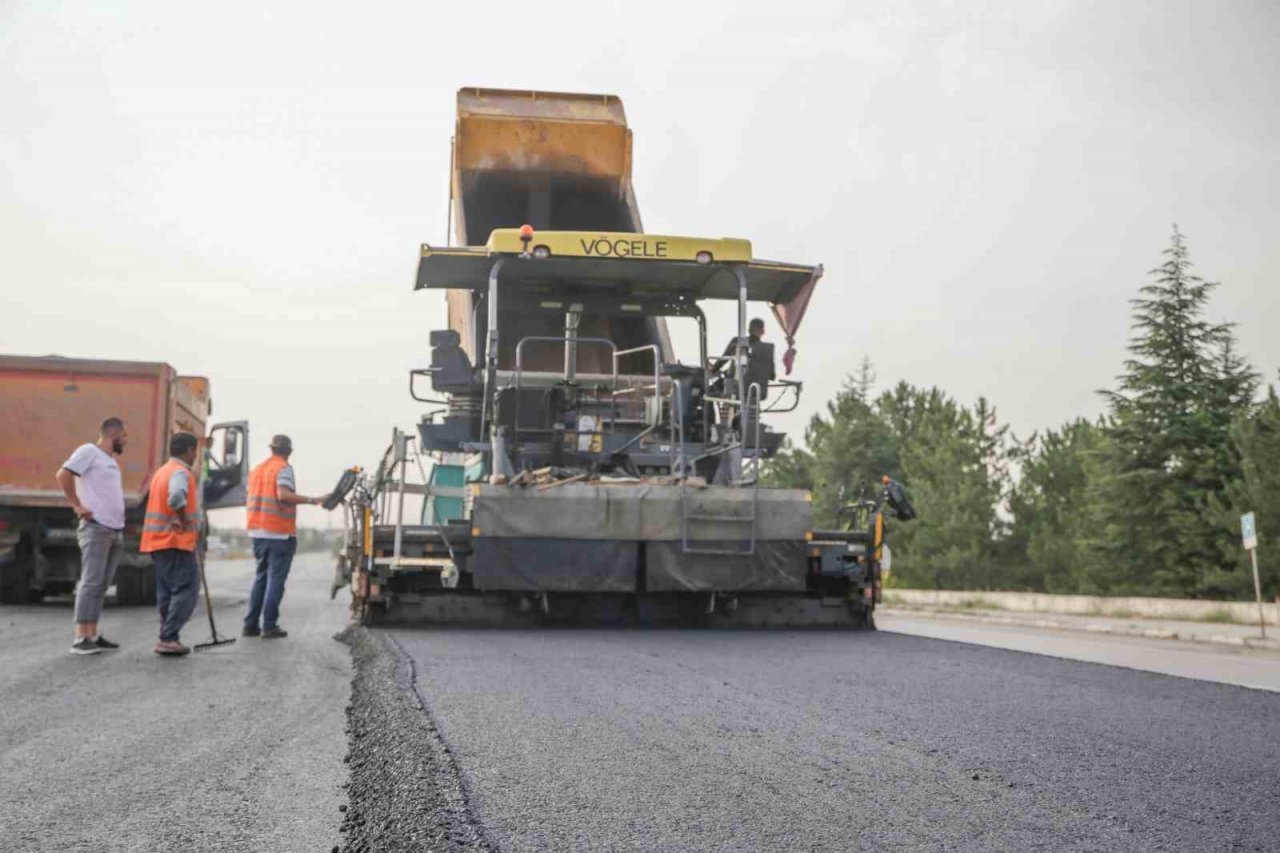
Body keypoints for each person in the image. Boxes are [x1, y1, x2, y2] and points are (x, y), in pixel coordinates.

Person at [242, 435, 330, 639]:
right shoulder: (283, 468)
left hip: (257, 532)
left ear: (271, 449)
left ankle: (250, 625)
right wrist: (313, 500)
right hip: (279, 534)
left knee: (261, 578)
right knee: (275, 580)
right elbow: (283, 495)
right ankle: (269, 626)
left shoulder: (257, 470)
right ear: (289, 451)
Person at [55, 417, 128, 656]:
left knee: (101, 585)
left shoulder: (109, 460)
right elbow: (63, 475)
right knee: (91, 582)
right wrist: (77, 505)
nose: (125, 440)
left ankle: (93, 634)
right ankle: (80, 638)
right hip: (96, 528)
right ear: (113, 434)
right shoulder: (89, 451)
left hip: (114, 530)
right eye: (124, 436)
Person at [139, 432, 203, 656]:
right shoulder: (180, 472)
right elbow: (176, 497)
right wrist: (184, 519)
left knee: (167, 592)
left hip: (158, 542)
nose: (196, 455)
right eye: (195, 451)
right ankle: (168, 637)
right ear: (189, 450)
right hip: (175, 540)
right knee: (187, 589)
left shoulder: (161, 472)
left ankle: (167, 637)